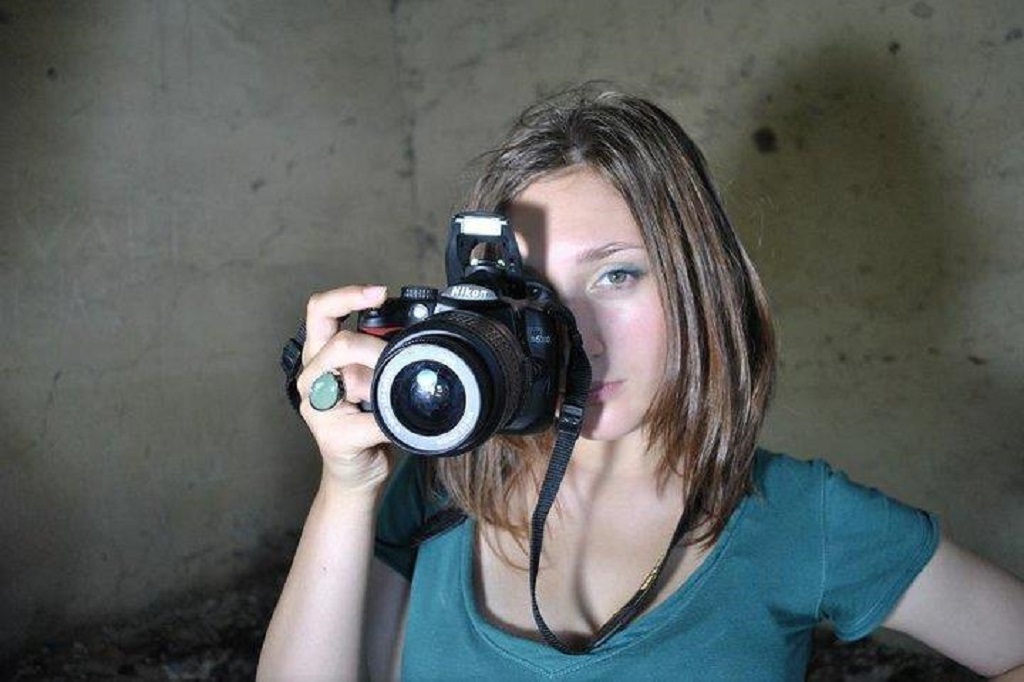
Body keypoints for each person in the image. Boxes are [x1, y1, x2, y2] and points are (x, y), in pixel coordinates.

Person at [257, 88, 1024, 680]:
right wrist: (347, 488)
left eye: (617, 275)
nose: (579, 337)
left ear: (700, 283)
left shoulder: (802, 518)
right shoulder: (438, 491)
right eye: (536, 293)